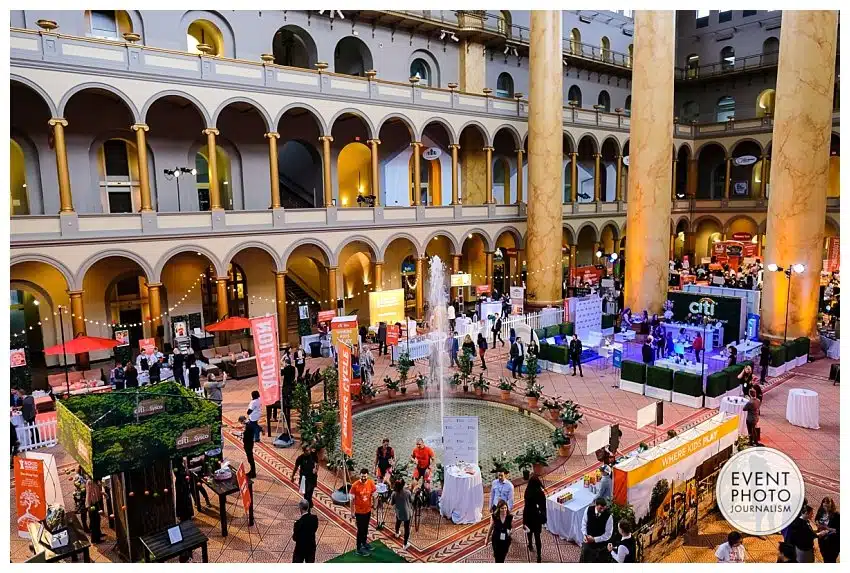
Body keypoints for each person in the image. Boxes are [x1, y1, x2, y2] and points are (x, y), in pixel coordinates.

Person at [350, 468, 377, 556]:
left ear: (367, 475)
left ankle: (364, 543)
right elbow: (351, 500)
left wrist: (374, 506)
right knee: (360, 530)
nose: (363, 478)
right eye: (362, 476)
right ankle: (358, 548)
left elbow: (375, 494)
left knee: (365, 528)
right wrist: (352, 512)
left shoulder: (370, 483)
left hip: (368, 510)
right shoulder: (355, 485)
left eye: (365, 476)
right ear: (360, 475)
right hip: (359, 512)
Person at [580, 497, 613, 563]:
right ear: (596, 505)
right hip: (588, 543)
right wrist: (585, 535)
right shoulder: (588, 510)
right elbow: (584, 524)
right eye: (600, 508)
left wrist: (595, 539)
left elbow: (608, 534)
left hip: (600, 546)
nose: (603, 510)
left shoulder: (609, 517)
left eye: (604, 508)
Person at [523, 474, 547, 563]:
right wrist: (543, 517)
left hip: (528, 516)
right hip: (537, 517)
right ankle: (539, 555)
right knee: (537, 537)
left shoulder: (527, 491)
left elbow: (525, 506)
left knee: (529, 532)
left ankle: (530, 544)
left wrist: (524, 520)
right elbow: (543, 507)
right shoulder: (540, 493)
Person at [292, 444, 319, 509]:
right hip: (304, 478)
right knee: (306, 494)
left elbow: (317, 463)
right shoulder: (300, 458)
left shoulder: (313, 455)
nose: (309, 452)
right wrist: (292, 476)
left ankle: (308, 504)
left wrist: (316, 469)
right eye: (307, 450)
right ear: (303, 451)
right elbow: (296, 467)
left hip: (312, 477)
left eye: (309, 450)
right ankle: (308, 507)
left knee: (310, 493)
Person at [292, 498, 319, 563]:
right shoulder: (314, 519)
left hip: (300, 548)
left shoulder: (298, 523)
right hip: (311, 546)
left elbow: (295, 538)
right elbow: (315, 529)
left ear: (300, 508)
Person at [814, 497, 839, 563]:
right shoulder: (821, 511)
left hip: (832, 542)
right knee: (824, 557)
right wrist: (817, 523)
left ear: (831, 504)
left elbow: (839, 530)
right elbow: (816, 518)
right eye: (824, 503)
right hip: (822, 539)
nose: (826, 505)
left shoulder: (836, 515)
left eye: (828, 503)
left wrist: (827, 529)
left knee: (831, 559)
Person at [391, 478, 413, 549]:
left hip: (398, 512)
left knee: (398, 522)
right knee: (406, 528)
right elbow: (411, 500)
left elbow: (392, 503)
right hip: (407, 513)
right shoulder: (408, 492)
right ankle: (405, 544)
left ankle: (397, 533)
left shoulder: (394, 493)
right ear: (403, 485)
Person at [85, 477, 104, 543]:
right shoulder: (90, 482)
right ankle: (96, 539)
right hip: (92, 504)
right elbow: (88, 494)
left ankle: (98, 534)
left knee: (97, 520)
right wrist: (88, 506)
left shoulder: (95, 481)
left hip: (96, 502)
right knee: (94, 522)